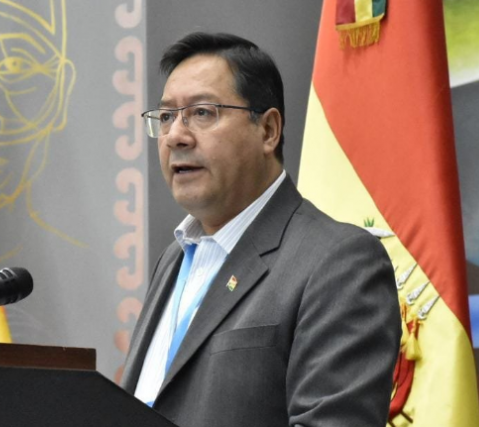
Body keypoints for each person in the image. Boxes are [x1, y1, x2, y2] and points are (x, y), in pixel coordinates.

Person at [121, 32, 401, 427]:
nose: (176, 136)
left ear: (268, 130)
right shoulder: (174, 258)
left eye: (202, 113)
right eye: (166, 117)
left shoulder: (338, 262)